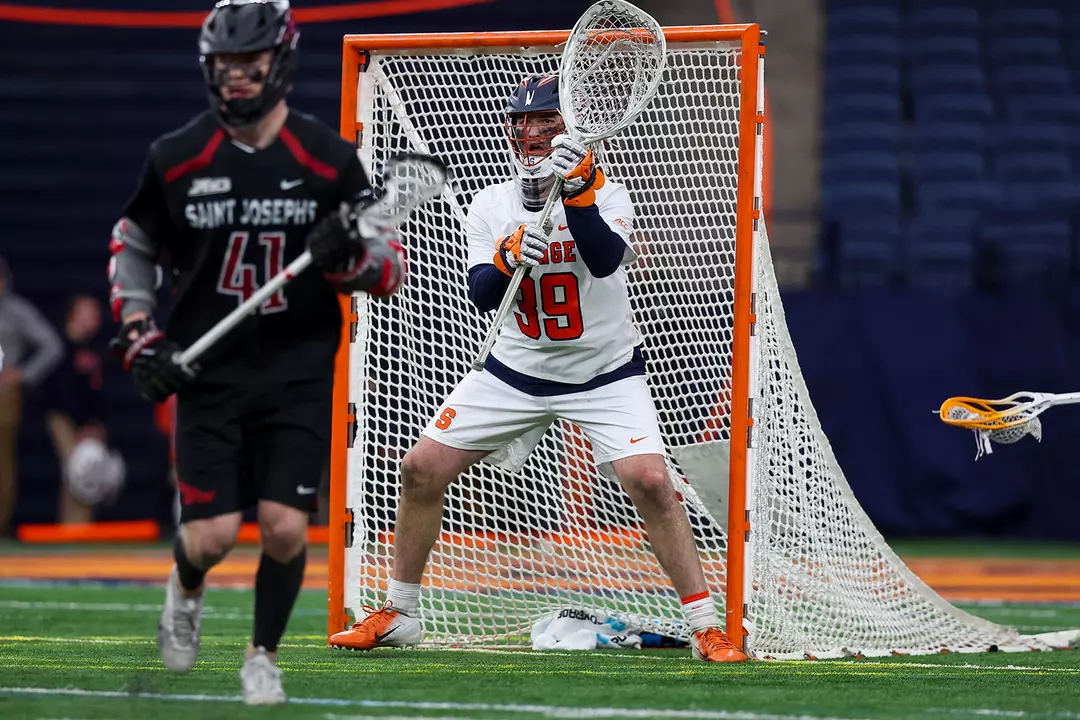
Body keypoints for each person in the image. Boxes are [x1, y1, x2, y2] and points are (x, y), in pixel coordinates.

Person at [328, 74, 747, 663]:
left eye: (548, 121)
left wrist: (577, 193)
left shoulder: (609, 193)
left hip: (602, 372)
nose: (534, 133)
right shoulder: (491, 203)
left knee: (651, 481)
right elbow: (479, 292)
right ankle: (400, 612)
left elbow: (602, 260)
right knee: (421, 468)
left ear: (573, 128)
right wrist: (504, 257)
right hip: (514, 371)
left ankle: (705, 623)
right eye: (524, 123)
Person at [106, 0, 407, 704]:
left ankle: (262, 655)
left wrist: (344, 262)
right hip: (210, 371)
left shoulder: (327, 159)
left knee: (281, 526)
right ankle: (184, 592)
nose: (237, 78)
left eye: (251, 64)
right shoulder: (177, 157)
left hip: (298, 370)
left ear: (281, 63)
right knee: (209, 537)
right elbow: (132, 245)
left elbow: (386, 269)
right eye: (225, 66)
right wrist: (140, 335)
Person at [0, 254, 64, 537]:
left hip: (3, 395)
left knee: (2, 462)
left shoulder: (16, 311)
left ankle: (0, 525)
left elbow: (52, 346)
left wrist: (23, 375)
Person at [45, 294, 115, 524]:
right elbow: (58, 393)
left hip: (87, 421)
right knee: (77, 469)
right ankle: (72, 527)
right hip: (62, 418)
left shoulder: (96, 349)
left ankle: (80, 529)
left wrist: (94, 424)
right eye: (87, 313)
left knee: (89, 473)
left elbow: (97, 394)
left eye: (95, 314)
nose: (93, 319)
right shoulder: (57, 346)